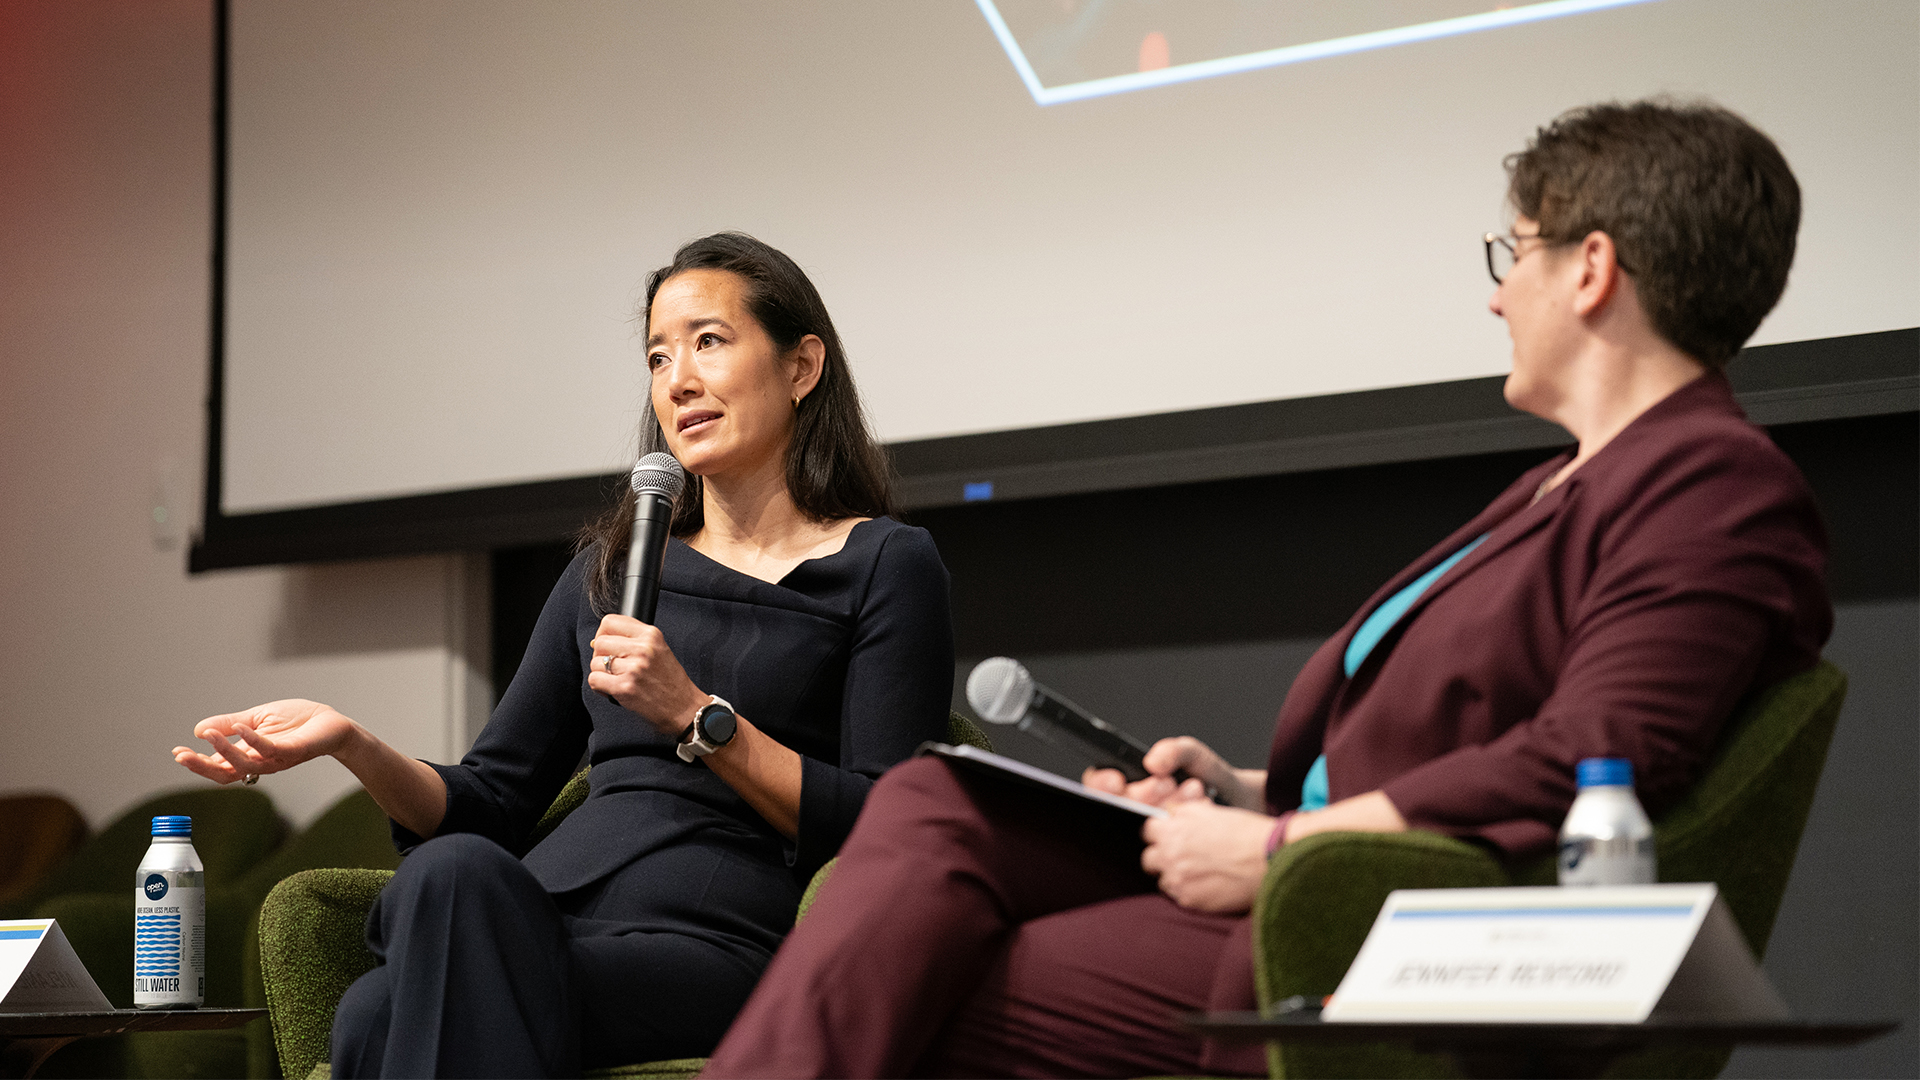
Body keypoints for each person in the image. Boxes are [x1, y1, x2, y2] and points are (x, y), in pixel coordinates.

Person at [699, 100, 1832, 1078]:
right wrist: (1242, 793)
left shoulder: (1716, 486)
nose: (1498, 299)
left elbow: (1599, 754)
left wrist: (1285, 848)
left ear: (1589, 270)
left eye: (1513, 258)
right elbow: (1456, 736)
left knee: (917, 985)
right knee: (936, 802)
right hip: (1305, 850)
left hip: (1367, 916)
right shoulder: (1560, 483)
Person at [172, 233, 956, 1077]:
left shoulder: (882, 565)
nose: (677, 380)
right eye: (658, 358)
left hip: (715, 939)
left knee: (383, 1001)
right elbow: (490, 802)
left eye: (708, 342)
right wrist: (350, 742)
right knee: (425, 922)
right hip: (545, 913)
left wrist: (698, 718)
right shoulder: (612, 570)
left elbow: (888, 820)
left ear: (802, 367)